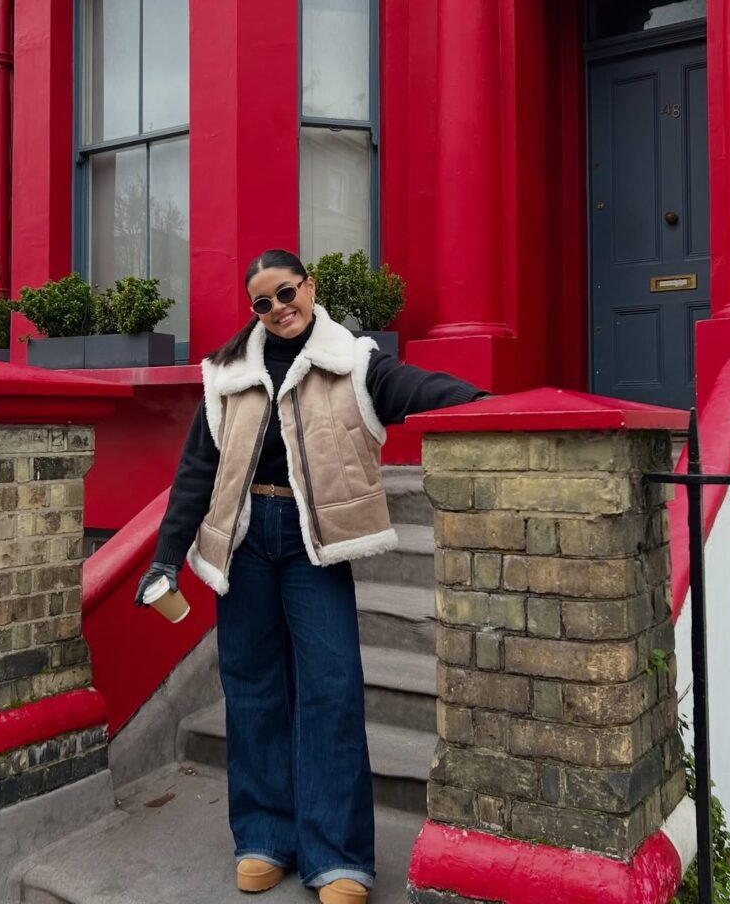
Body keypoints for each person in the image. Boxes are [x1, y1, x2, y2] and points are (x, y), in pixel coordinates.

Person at [135, 249, 488, 903]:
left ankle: (338, 856)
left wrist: (493, 406)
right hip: (241, 544)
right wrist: (165, 558)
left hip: (312, 544)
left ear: (309, 287)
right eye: (262, 303)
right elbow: (196, 472)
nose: (278, 309)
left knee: (330, 690)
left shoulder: (350, 360)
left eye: (286, 292)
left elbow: (413, 389)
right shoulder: (226, 373)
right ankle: (265, 837)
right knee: (253, 692)